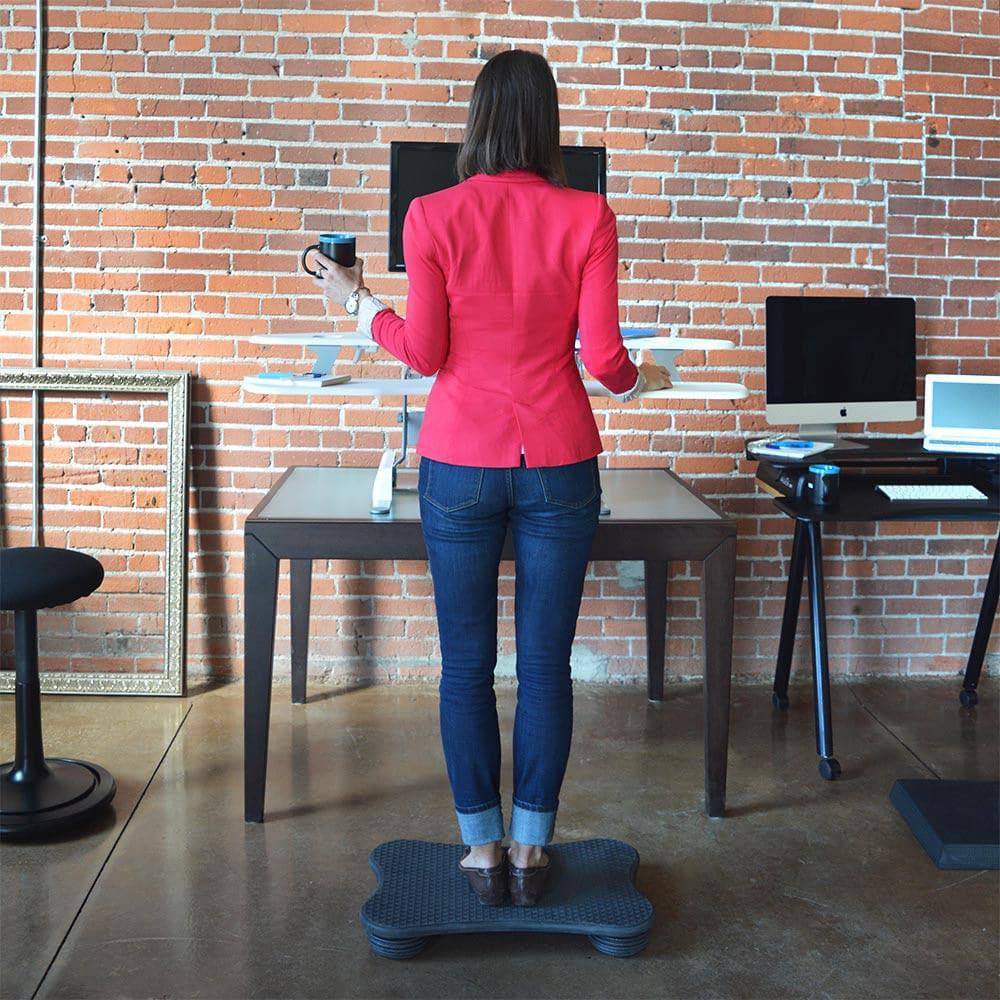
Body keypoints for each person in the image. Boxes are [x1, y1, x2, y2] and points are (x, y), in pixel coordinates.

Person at [314, 49, 671, 907]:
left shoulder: (431, 214)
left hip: (460, 465)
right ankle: (534, 848)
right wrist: (646, 380)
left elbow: (426, 352)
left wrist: (358, 302)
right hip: (558, 462)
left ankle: (481, 853)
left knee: (465, 665)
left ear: (476, 121)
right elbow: (611, 361)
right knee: (547, 665)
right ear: (548, 124)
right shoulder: (590, 215)